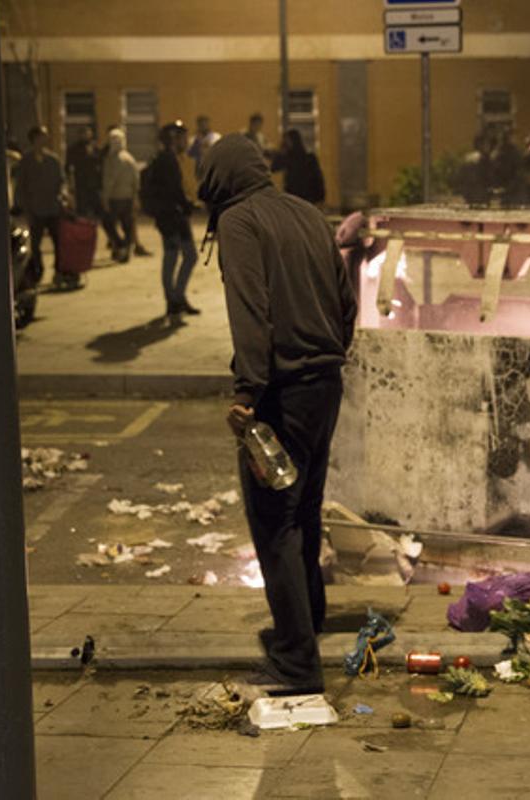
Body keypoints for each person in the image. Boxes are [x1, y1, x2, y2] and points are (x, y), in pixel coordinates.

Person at [197, 133, 356, 696]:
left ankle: (295, 660)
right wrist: (335, 348)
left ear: (219, 180)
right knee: (304, 510)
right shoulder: (307, 213)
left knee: (274, 523)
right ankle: (306, 623)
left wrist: (247, 390)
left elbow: (251, 309)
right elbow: (346, 297)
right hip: (324, 384)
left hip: (280, 393)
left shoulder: (240, 221)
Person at [145, 121, 199, 316]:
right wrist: (188, 205)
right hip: (171, 216)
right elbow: (174, 190)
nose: (187, 141)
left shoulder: (170, 158)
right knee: (177, 256)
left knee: (182, 256)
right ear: (175, 139)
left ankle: (176, 298)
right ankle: (174, 299)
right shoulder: (168, 159)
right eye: (184, 137)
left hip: (172, 215)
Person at [16, 126, 69, 288]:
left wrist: (63, 195)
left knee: (58, 242)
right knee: (35, 244)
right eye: (41, 137)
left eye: (45, 137)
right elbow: (21, 186)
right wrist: (23, 208)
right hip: (35, 209)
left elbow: (62, 181)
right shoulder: (26, 161)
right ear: (34, 139)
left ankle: (59, 271)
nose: (44, 140)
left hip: (53, 207)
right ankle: (38, 271)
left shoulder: (53, 160)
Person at [101, 127, 145, 262]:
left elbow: (109, 180)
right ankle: (124, 250)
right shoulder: (130, 158)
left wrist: (105, 198)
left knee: (108, 223)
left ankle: (120, 246)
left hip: (115, 197)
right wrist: (135, 197)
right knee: (127, 226)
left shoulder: (112, 159)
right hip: (128, 197)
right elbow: (136, 179)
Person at [270, 129, 325, 206]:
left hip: (306, 195)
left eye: (287, 141)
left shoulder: (308, 158)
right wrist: (281, 152)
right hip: (294, 195)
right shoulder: (288, 157)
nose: (286, 144)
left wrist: (320, 196)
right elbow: (274, 168)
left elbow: (317, 177)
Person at [65, 125, 102, 219]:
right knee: (82, 210)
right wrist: (70, 184)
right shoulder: (73, 149)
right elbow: (68, 167)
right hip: (80, 184)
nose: (85, 135)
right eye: (83, 133)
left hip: (94, 184)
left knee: (96, 209)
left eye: (87, 133)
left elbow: (101, 163)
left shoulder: (95, 148)